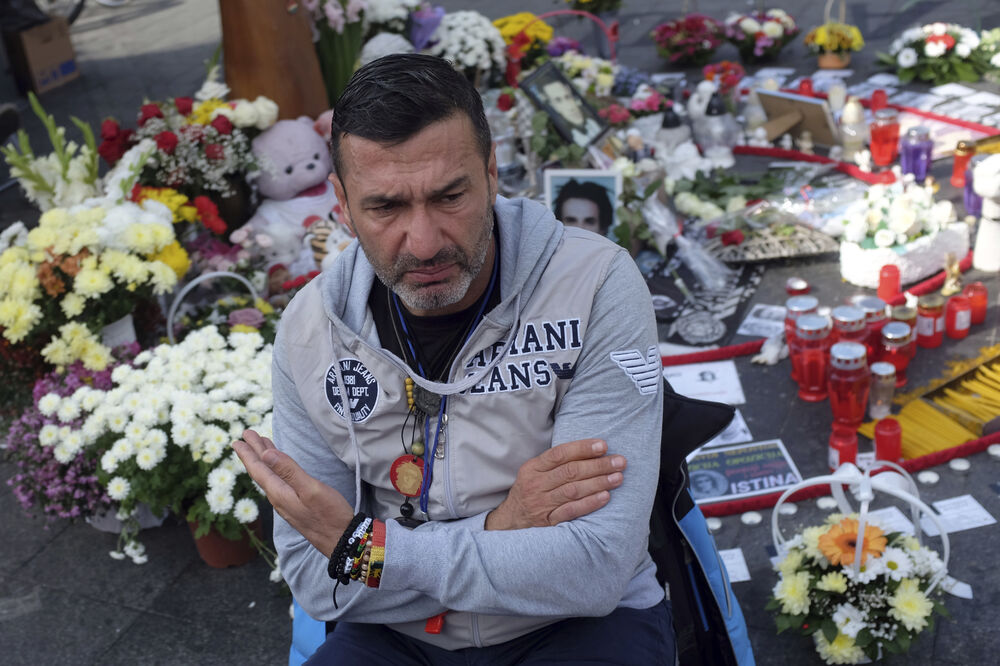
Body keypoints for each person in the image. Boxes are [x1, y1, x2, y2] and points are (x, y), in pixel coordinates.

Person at [234, 53, 671, 663]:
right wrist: (501, 527)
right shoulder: (310, 331)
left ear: (491, 173)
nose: (423, 242)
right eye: (385, 207)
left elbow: (595, 567)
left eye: (449, 196)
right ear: (342, 204)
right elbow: (316, 580)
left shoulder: (594, 282)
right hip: (399, 638)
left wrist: (372, 550)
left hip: (575, 626)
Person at [539, 79, 603, 146]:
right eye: (558, 101)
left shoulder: (593, 120)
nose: (570, 107)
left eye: (567, 97)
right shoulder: (567, 136)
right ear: (552, 106)